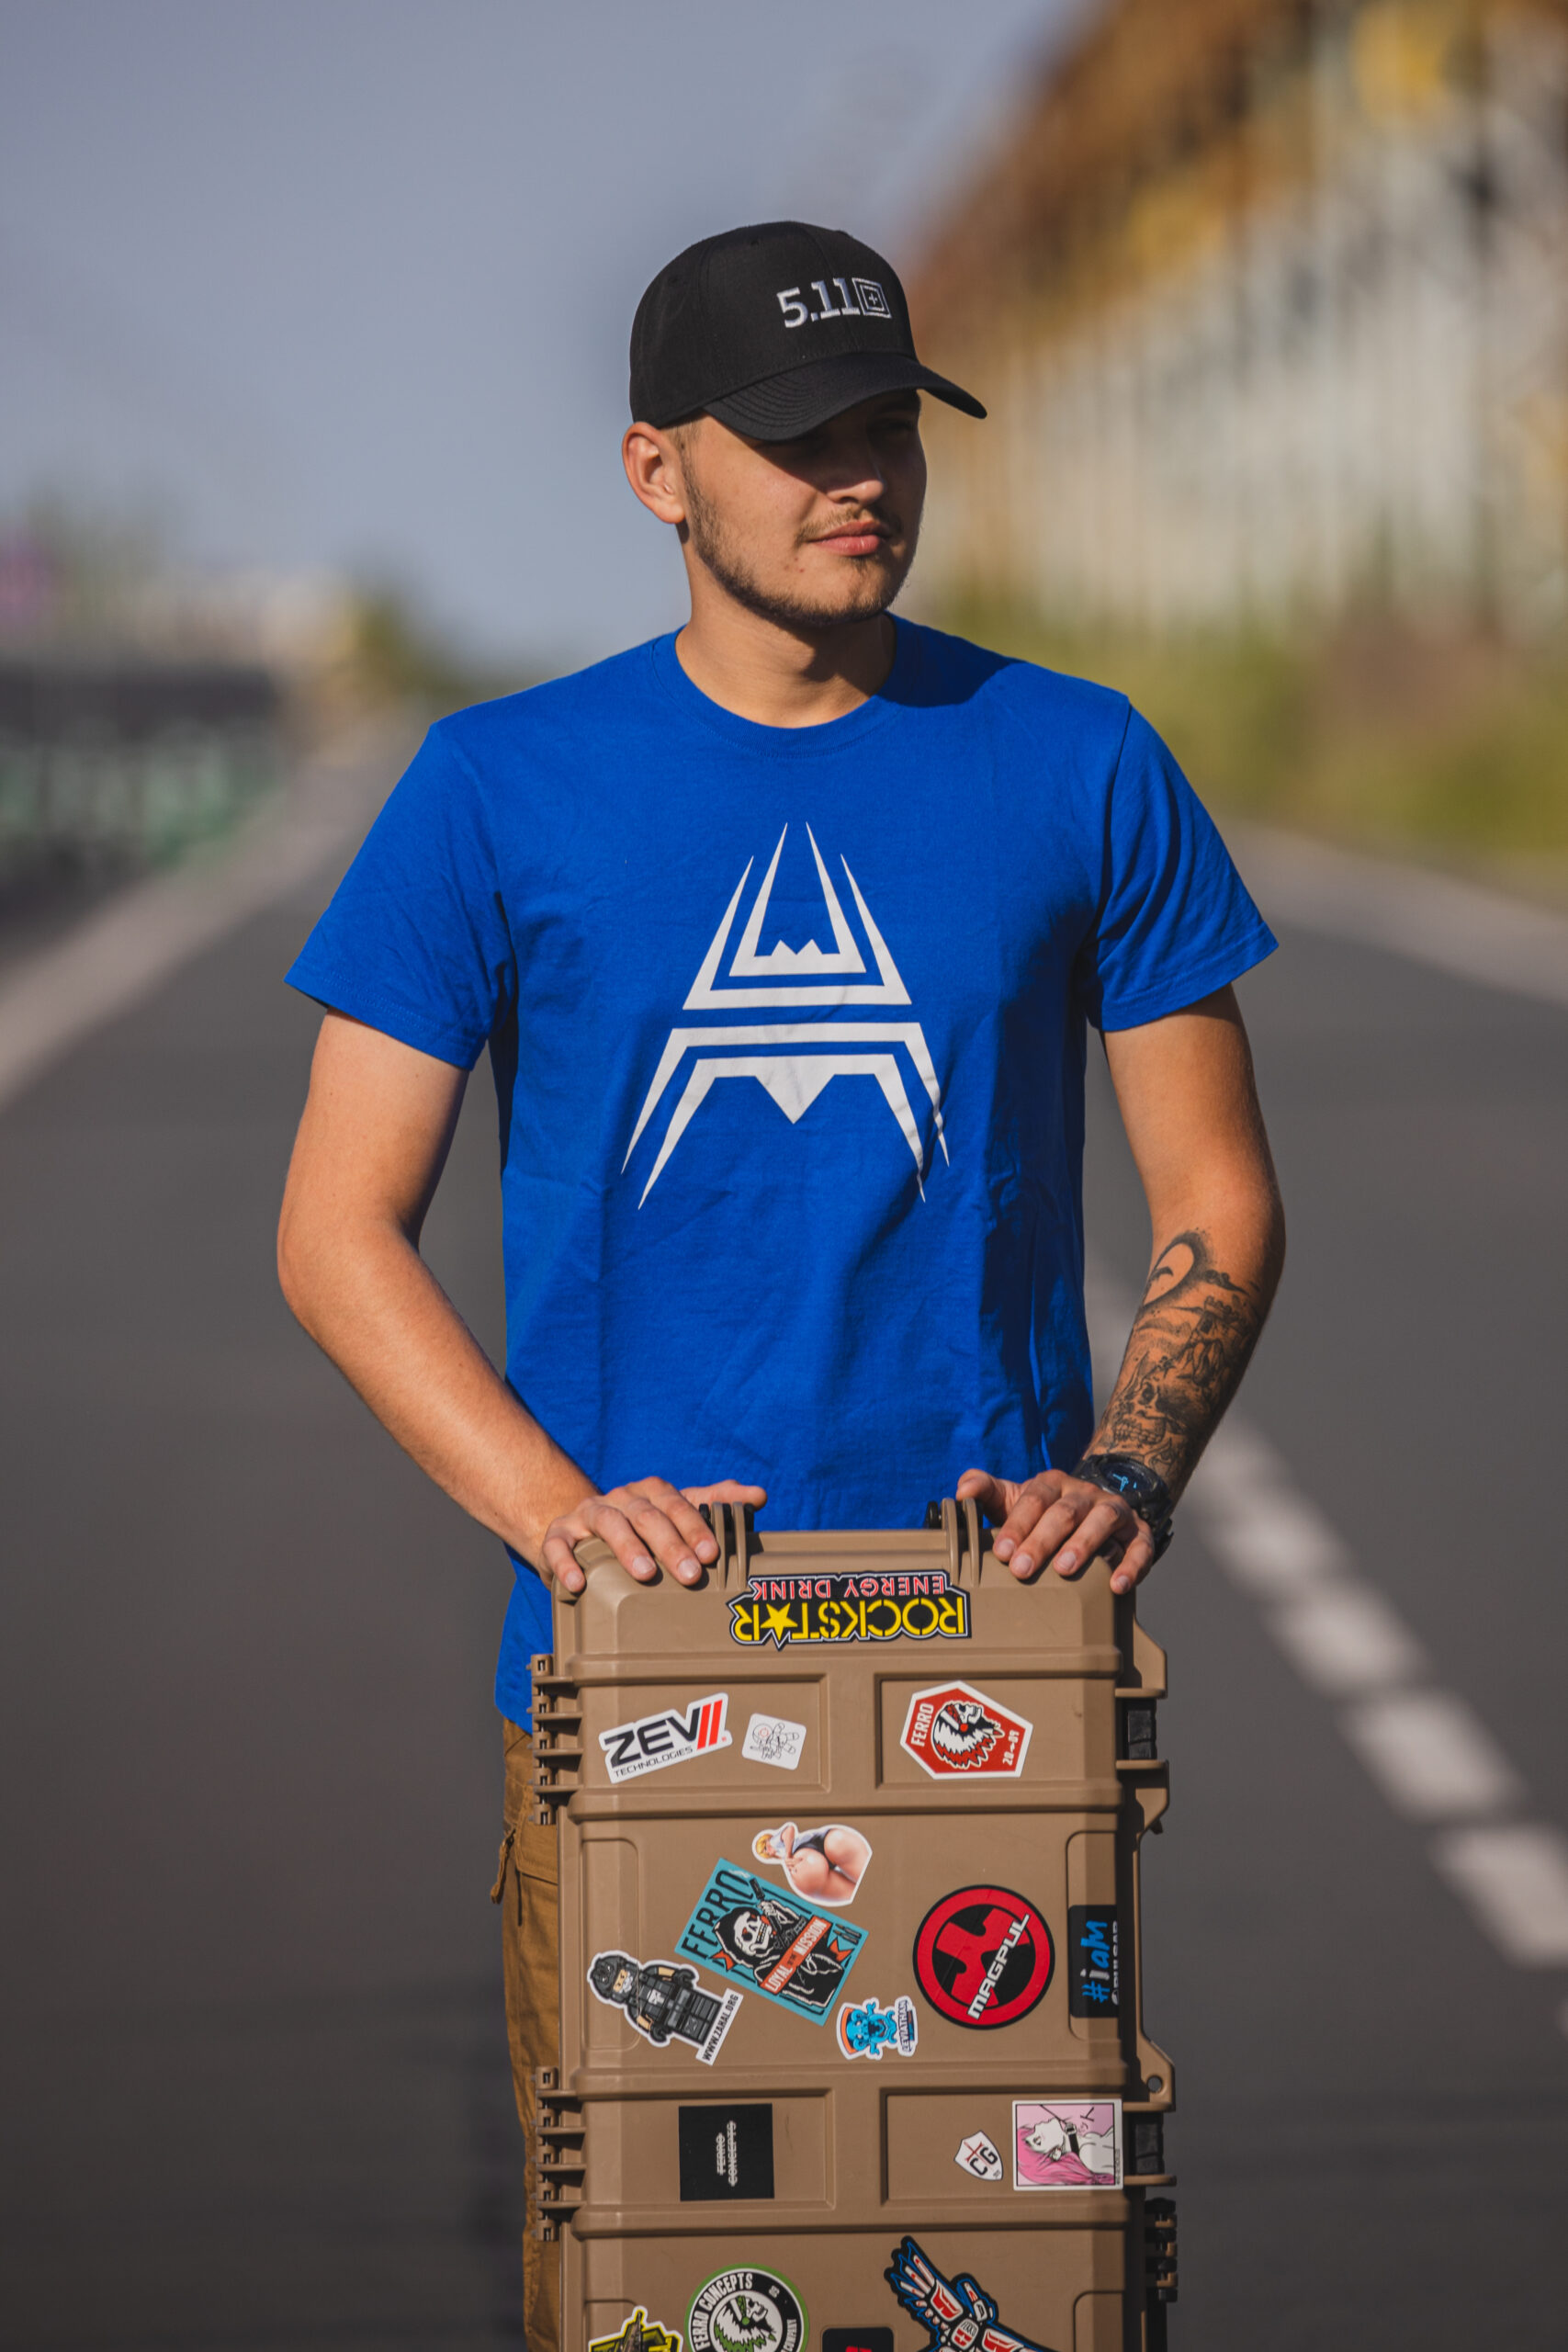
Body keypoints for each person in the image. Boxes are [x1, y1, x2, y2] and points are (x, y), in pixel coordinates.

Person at [276, 220, 1285, 2347]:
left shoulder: (1078, 757)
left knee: (1016, 2294)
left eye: (889, 428)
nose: (861, 476)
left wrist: (1126, 1466)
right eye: (801, 436)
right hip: (638, 1691)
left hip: (989, 1676)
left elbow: (1213, 1185)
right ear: (655, 469)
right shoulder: (493, 789)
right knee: (672, 2301)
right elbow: (334, 1226)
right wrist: (564, 1520)